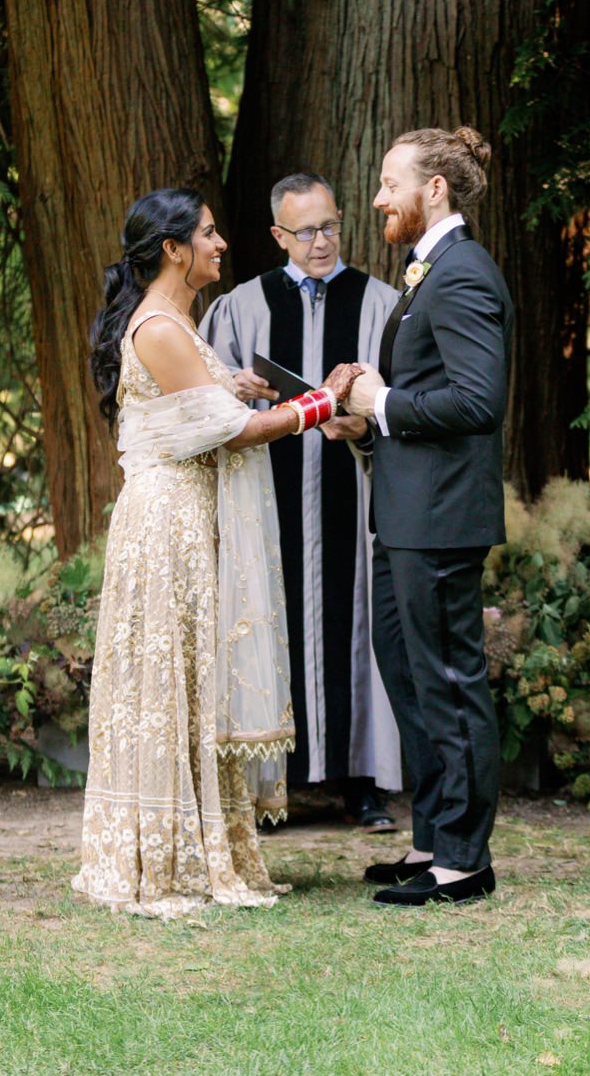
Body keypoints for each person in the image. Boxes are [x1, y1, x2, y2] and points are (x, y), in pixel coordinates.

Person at [72, 188, 351, 919]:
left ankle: (199, 840)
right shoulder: (161, 325)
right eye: (207, 233)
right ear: (172, 249)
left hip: (186, 516)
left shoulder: (177, 323)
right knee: (173, 678)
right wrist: (322, 402)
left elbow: (199, 408)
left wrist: (238, 386)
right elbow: (232, 434)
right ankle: (164, 851)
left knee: (195, 676)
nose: (221, 243)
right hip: (167, 523)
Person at [334, 126, 511, 907]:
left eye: (388, 183)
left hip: (440, 520)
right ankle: (434, 841)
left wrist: (386, 401)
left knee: (449, 681)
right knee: (410, 679)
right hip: (405, 514)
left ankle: (466, 862)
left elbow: (479, 400)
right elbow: (423, 396)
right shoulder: (426, 273)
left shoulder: (464, 272)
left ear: (433, 189)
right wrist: (365, 416)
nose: (378, 198)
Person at [202, 173, 403, 832]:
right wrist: (239, 390)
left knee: (358, 631)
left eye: (330, 226)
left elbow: (409, 404)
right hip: (272, 501)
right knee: (270, 624)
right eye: (305, 231)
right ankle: (271, 784)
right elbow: (204, 403)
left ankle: (362, 780)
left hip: (354, 496)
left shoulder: (380, 306)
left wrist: (365, 427)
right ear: (277, 235)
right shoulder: (242, 308)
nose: (321, 243)